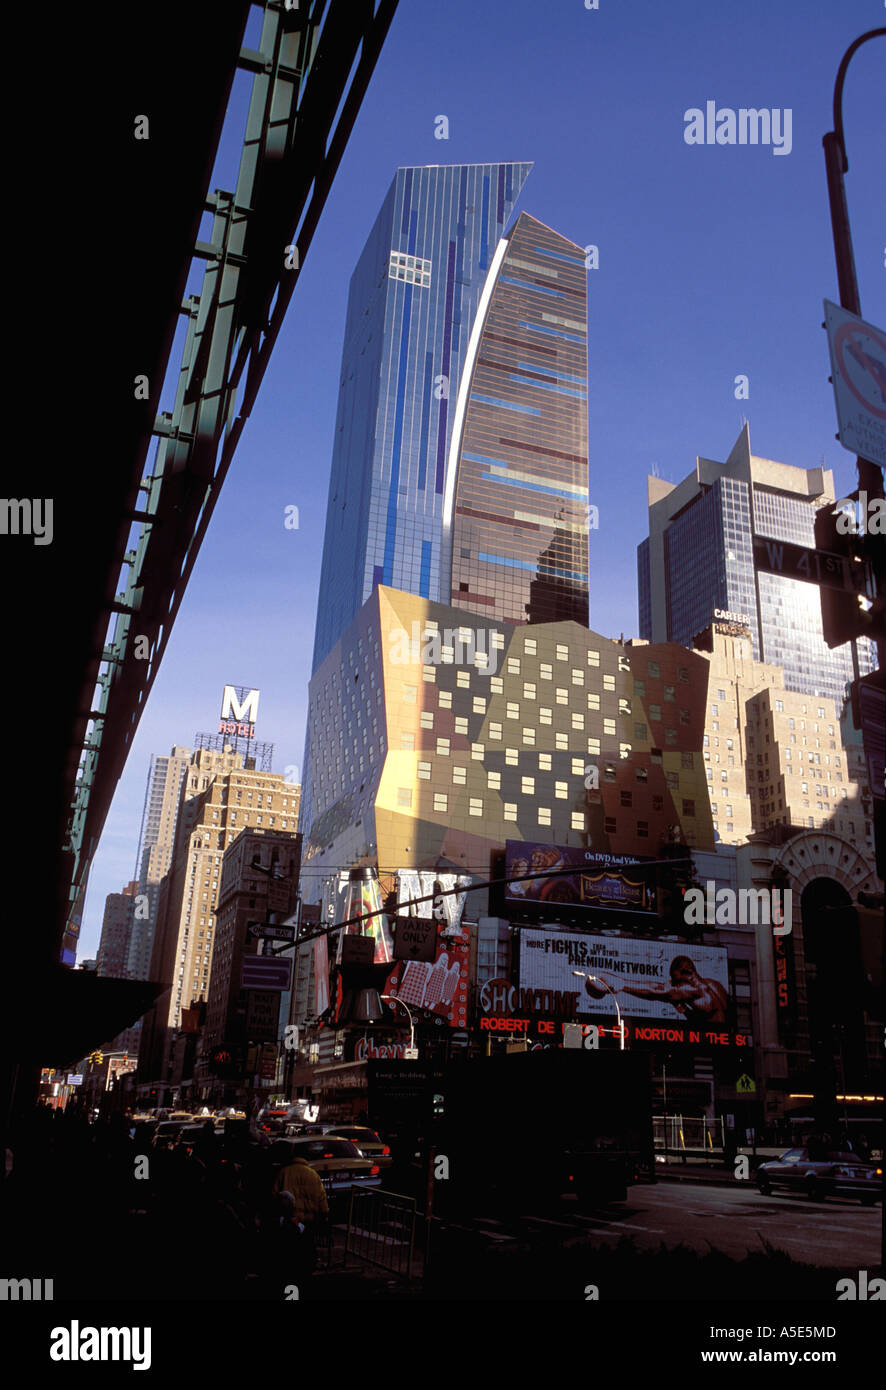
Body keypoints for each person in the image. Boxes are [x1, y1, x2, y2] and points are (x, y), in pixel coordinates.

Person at [591, 954, 728, 1025]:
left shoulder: (691, 990)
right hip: (727, 1039)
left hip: (711, 1046)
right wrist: (685, 1011)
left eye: (676, 980)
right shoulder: (716, 985)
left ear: (687, 973)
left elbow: (656, 990)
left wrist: (621, 983)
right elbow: (710, 1017)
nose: (674, 985)